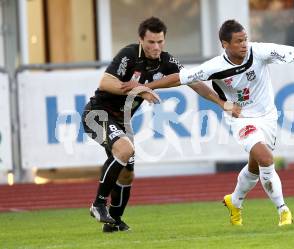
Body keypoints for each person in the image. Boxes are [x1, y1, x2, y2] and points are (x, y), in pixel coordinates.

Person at [122, 19, 294, 226]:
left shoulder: (259, 51)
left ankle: (235, 200)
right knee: (265, 158)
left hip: (268, 117)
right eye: (239, 41)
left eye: (245, 39)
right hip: (240, 118)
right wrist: (145, 87)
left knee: (255, 165)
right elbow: (179, 79)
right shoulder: (214, 67)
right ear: (225, 44)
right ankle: (283, 210)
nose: (244, 45)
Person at [82, 17, 239, 233]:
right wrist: (140, 89)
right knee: (125, 149)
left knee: (127, 173)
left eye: (160, 42)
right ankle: (98, 204)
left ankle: (114, 221)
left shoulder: (166, 61)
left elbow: (194, 83)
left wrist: (223, 104)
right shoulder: (129, 55)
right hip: (97, 113)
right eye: (151, 42)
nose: (156, 47)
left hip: (121, 121)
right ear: (141, 40)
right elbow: (105, 83)